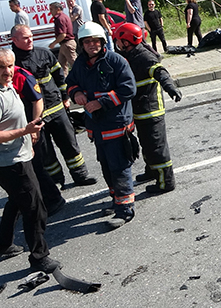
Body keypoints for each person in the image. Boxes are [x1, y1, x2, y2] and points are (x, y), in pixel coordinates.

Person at [66, 23, 137, 229]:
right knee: (106, 167)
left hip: (116, 124)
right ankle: (117, 201)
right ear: (81, 44)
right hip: (97, 128)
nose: (91, 45)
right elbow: (71, 82)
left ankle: (125, 210)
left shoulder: (116, 61)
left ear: (102, 42)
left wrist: (101, 102)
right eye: (87, 42)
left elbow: (128, 89)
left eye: (95, 41)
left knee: (119, 167)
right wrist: (76, 93)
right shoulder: (80, 63)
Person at [11, 24, 97, 188]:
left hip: (56, 108)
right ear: (14, 40)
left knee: (69, 143)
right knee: (45, 152)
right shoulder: (12, 62)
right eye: (25, 38)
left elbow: (59, 76)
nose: (31, 40)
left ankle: (81, 175)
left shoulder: (43, 53)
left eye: (31, 36)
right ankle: (56, 181)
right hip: (34, 115)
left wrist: (65, 97)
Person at [0, 48, 61, 272]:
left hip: (20, 155)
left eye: (9, 66)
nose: (7, 71)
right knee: (35, 208)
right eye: (1, 67)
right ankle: (39, 257)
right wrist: (24, 132)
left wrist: (28, 141)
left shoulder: (9, 86)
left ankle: (3, 244)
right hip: (10, 162)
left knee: (17, 201)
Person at [113, 23, 182, 194]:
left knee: (156, 147)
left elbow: (160, 72)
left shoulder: (144, 56)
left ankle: (166, 182)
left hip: (151, 110)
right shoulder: (129, 55)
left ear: (127, 41)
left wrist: (171, 88)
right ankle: (151, 171)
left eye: (119, 40)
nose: (117, 43)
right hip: (139, 110)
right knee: (146, 144)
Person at [47, 2, 77, 75]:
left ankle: (84, 79)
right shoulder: (63, 16)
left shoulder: (60, 18)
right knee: (61, 65)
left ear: (58, 9)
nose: (50, 11)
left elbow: (62, 34)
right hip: (65, 44)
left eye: (51, 9)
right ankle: (64, 81)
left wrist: (53, 43)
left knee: (75, 64)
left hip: (67, 44)